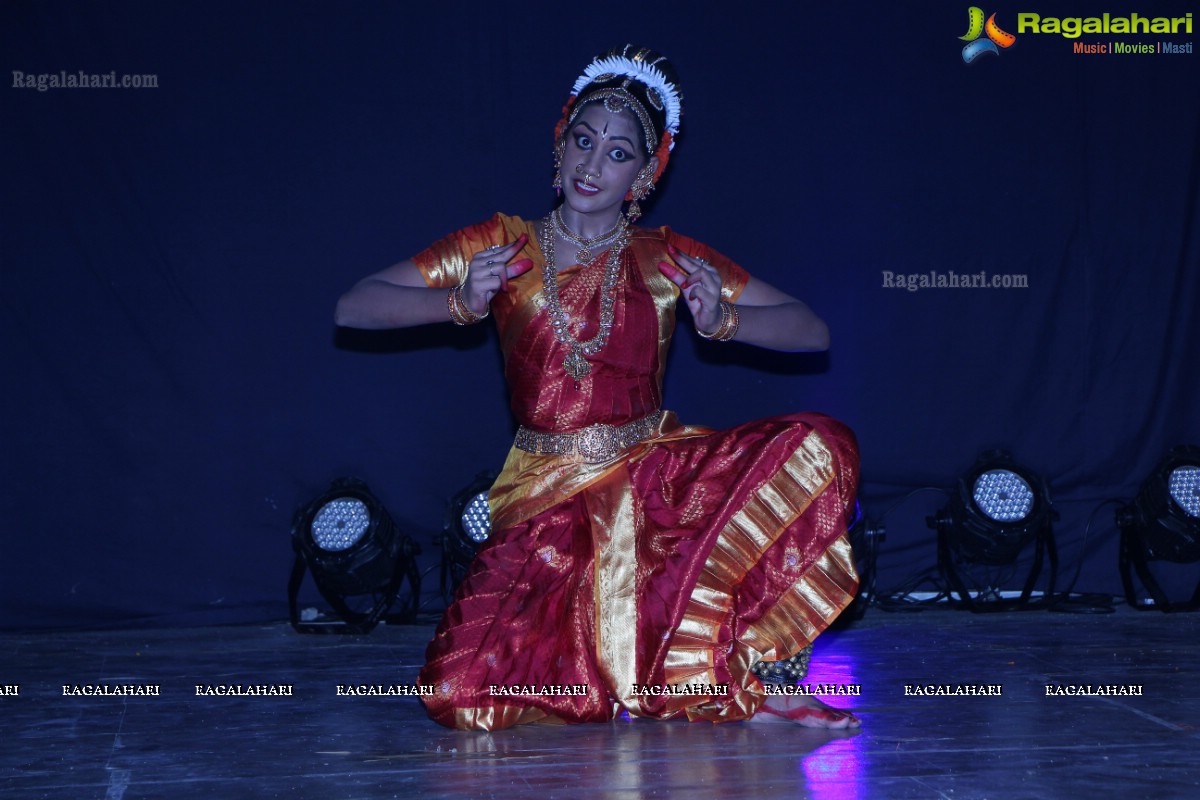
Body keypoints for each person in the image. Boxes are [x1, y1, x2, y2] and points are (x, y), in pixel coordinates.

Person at [335, 45, 861, 731]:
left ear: (645, 173)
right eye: (584, 141)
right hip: (545, 500)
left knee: (819, 443)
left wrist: (724, 317)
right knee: (461, 693)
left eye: (618, 153)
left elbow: (809, 329)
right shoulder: (505, 242)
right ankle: (634, 670)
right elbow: (356, 304)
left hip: (657, 492)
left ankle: (746, 672)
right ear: (560, 146)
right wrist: (459, 302)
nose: (593, 164)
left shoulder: (668, 256)